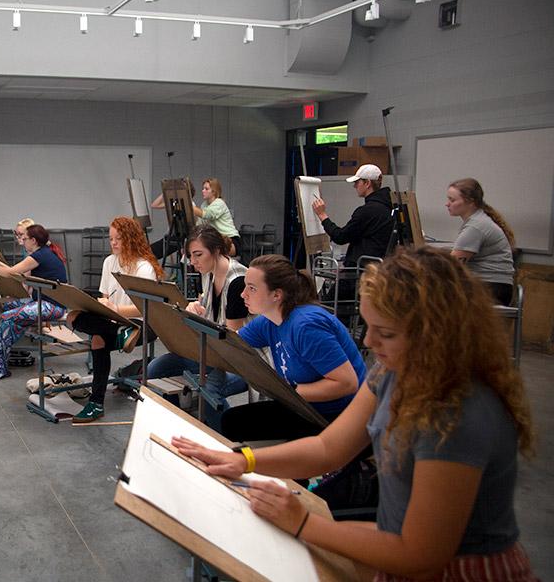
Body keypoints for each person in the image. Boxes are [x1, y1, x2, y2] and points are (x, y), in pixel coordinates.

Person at [172, 247, 537, 581]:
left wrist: (302, 524)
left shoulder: (459, 413)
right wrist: (242, 460)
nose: (368, 343)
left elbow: (420, 554)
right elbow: (329, 447)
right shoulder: (393, 372)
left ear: (437, 334)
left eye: (386, 333)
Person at [221, 254, 365, 441]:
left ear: (277, 295)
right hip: (304, 406)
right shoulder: (269, 320)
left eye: (252, 288)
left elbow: (347, 383)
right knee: (232, 421)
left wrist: (288, 392)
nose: (243, 294)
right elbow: (230, 341)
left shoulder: (306, 326)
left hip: (338, 416)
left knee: (236, 424)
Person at [144, 225, 249, 430]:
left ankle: (227, 436)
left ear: (217, 250)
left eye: (198, 255)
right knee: (155, 369)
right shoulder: (209, 271)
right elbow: (208, 309)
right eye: (191, 255)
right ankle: (186, 424)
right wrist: (194, 307)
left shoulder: (237, 281)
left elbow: (231, 341)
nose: (193, 262)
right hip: (211, 352)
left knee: (207, 389)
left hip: (238, 360)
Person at [67, 216, 163, 423]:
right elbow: (105, 297)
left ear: (131, 238)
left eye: (119, 238)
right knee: (73, 316)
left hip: (142, 323)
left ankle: (96, 403)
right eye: (111, 239)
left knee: (97, 339)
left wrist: (116, 309)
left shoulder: (143, 267)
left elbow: (145, 309)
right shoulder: (109, 262)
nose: (114, 243)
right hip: (115, 323)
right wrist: (101, 307)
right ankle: (96, 404)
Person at [0, 225, 68, 380]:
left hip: (53, 307)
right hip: (41, 301)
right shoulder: (42, 253)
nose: (22, 241)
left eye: (24, 238)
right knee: (6, 309)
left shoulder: (39, 256)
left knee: (7, 317)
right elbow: (15, 270)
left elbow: (10, 273)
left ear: (33, 240)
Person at [445, 178, 516, 305]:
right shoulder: (478, 220)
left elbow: (452, 266)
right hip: (495, 287)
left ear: (471, 202)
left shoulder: (475, 227)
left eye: (452, 200)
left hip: (491, 289)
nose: (447, 204)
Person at [311, 164, 394, 268]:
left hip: (362, 270)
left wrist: (322, 215)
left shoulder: (367, 211)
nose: (354, 186)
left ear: (367, 183)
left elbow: (340, 237)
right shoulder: (388, 206)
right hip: (378, 268)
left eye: (357, 182)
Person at [150, 177, 241, 259]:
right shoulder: (204, 205)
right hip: (215, 239)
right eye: (203, 188)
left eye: (206, 189)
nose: (203, 191)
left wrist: (184, 202)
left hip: (230, 240)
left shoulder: (219, 203)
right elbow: (200, 224)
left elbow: (206, 215)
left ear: (214, 191)